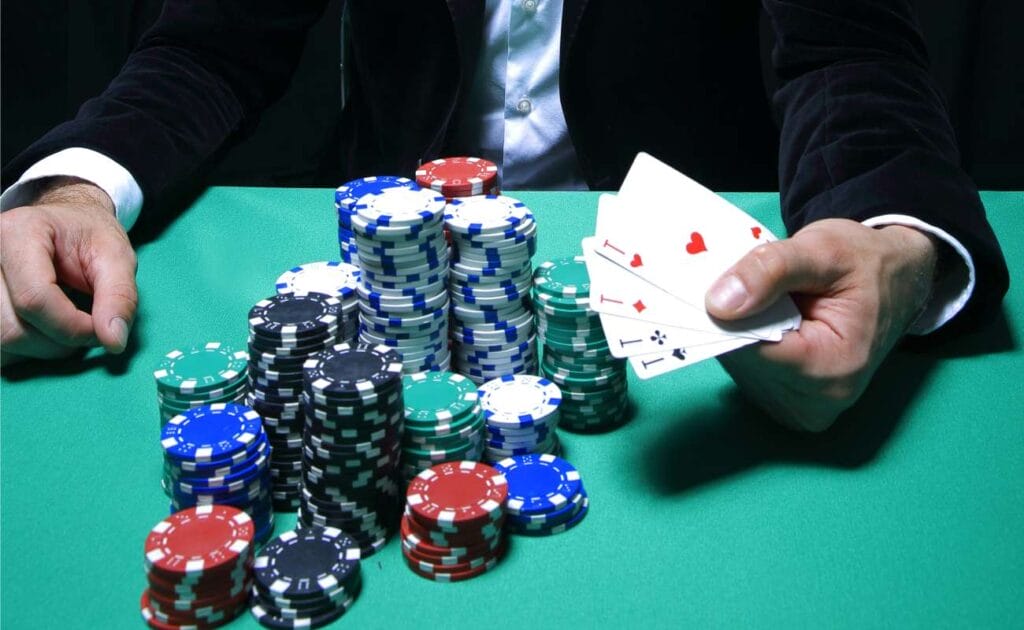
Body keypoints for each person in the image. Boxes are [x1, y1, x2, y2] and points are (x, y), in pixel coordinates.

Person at [0, 1, 1009, 432]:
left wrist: (897, 241)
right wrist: (77, 186)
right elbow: (209, 46)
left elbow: (848, 55)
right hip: (399, 291)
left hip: (707, 326)